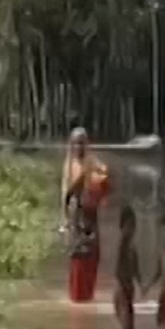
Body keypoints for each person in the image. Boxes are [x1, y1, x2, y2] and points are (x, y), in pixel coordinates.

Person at [64, 127, 110, 302]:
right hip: (76, 218)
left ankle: (87, 298)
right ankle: (77, 299)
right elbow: (67, 194)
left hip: (90, 217)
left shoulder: (93, 163)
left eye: (81, 143)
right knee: (77, 262)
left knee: (92, 259)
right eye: (75, 143)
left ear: (87, 144)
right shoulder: (69, 165)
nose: (78, 147)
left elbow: (105, 184)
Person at [114, 206, 141, 329]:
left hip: (129, 288)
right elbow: (119, 269)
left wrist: (141, 284)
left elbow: (135, 268)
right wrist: (122, 288)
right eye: (128, 226)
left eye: (133, 225)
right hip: (122, 289)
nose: (131, 229)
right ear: (122, 227)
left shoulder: (132, 246)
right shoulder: (123, 245)